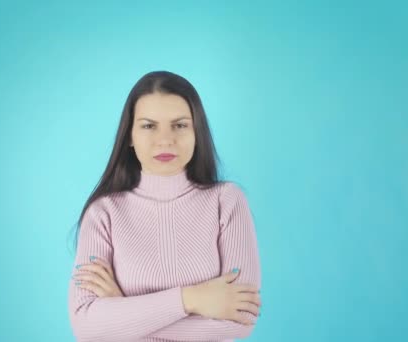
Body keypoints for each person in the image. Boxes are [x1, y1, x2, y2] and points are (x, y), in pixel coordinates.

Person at [67, 70, 262, 341]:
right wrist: (190, 300)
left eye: (180, 125)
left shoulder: (226, 202)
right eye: (149, 125)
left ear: (197, 132)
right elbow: (87, 328)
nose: (165, 139)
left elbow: (241, 320)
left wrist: (124, 311)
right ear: (130, 137)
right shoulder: (104, 213)